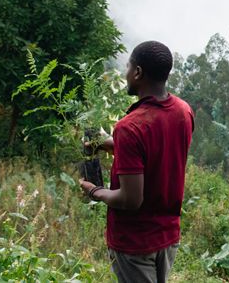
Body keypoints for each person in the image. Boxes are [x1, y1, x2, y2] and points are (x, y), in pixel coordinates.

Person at [79, 41, 194, 283]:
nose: (126, 72)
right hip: (168, 237)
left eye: (129, 66)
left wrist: (95, 192)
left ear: (138, 72)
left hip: (135, 243)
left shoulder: (130, 127)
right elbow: (158, 152)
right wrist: (109, 144)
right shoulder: (184, 112)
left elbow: (131, 200)